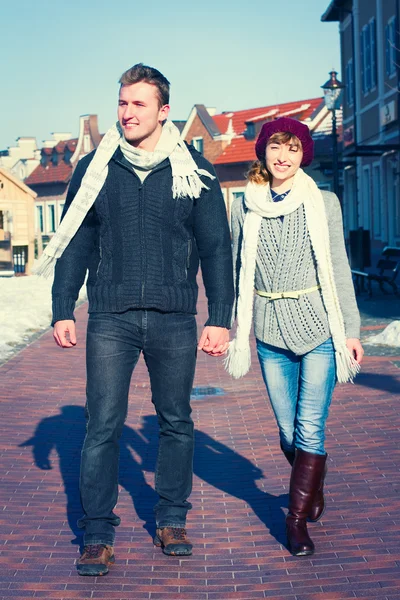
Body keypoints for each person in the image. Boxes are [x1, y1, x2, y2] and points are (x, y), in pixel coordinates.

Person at [35, 63, 234, 575]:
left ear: (163, 111)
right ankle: (97, 533)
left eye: (138, 104)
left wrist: (221, 317)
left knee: (176, 421)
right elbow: (76, 242)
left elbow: (215, 248)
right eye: (122, 103)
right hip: (110, 316)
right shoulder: (94, 169)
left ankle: (171, 519)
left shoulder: (198, 170)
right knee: (101, 425)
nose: (126, 112)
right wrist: (62, 309)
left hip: (174, 317)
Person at [226, 117, 364, 557]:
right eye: (276, 148)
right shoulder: (243, 205)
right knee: (288, 431)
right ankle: (312, 481)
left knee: (309, 426)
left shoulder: (323, 202)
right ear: (263, 151)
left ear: (303, 155)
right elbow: (235, 272)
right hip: (268, 329)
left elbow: (338, 269)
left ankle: (296, 519)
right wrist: (231, 327)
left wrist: (353, 331)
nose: (283, 157)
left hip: (319, 327)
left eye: (293, 149)